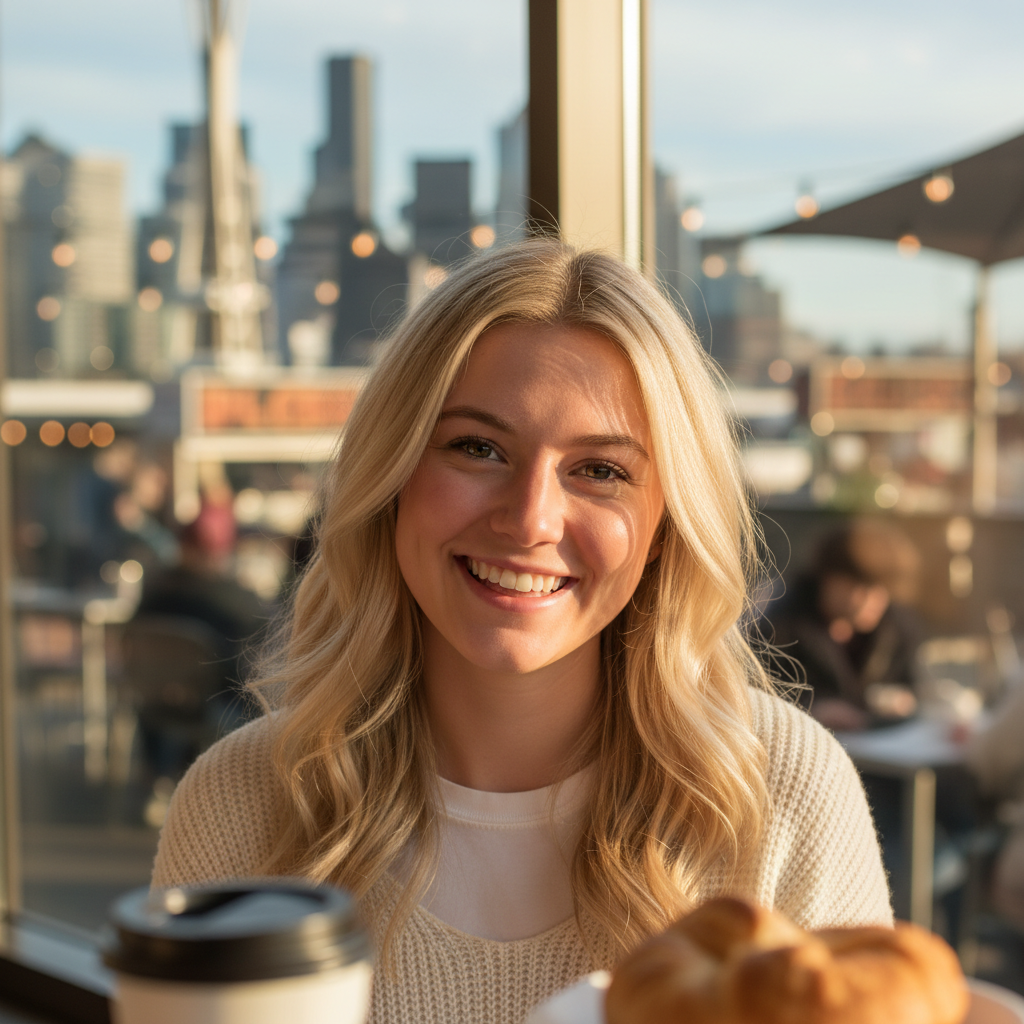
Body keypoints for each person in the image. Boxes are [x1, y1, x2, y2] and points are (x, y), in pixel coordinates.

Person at [152, 241, 890, 1024]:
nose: (531, 519)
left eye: (600, 470)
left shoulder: (783, 797)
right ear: (392, 476)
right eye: (478, 448)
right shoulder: (238, 805)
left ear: (666, 524)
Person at [766, 519, 924, 732]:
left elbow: (912, 684)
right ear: (828, 578)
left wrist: (904, 700)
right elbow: (762, 698)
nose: (874, 601)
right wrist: (811, 710)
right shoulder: (782, 626)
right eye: (862, 587)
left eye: (881, 590)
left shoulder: (896, 627)